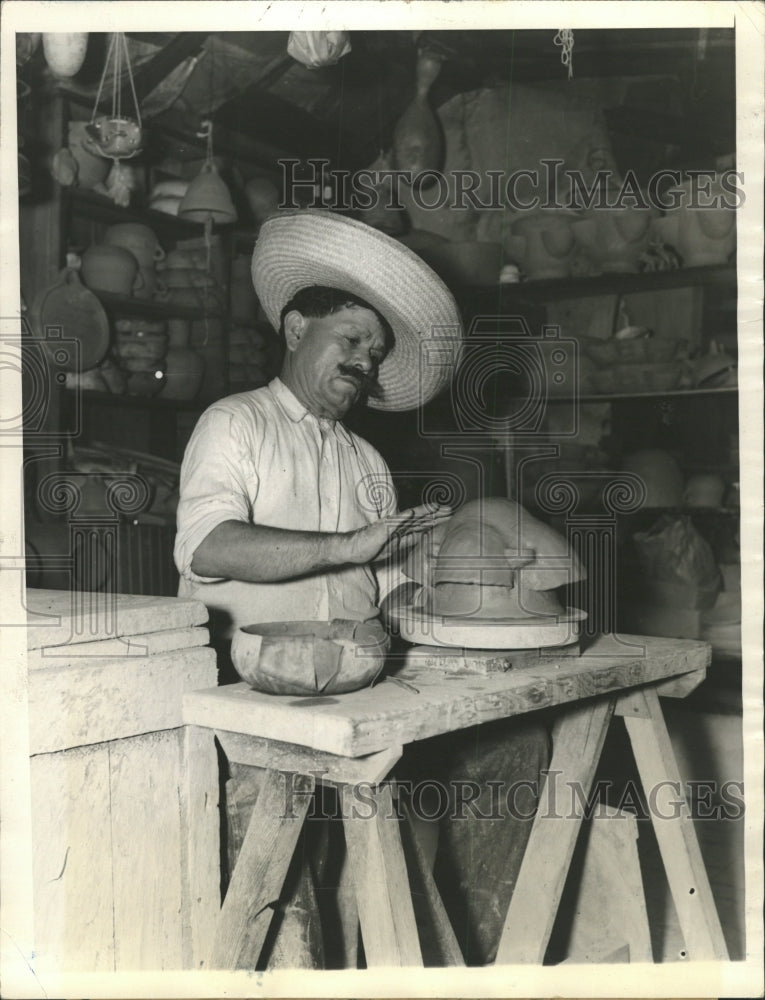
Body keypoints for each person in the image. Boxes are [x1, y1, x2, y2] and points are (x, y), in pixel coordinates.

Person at [174, 210, 549, 968]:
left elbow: (387, 590)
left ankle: (478, 969)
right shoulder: (234, 425)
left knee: (511, 751)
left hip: (353, 696)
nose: (364, 364)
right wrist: (346, 547)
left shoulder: (367, 462)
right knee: (290, 899)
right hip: (250, 701)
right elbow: (207, 545)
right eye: (350, 341)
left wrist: (444, 607)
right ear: (292, 328)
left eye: (374, 354)